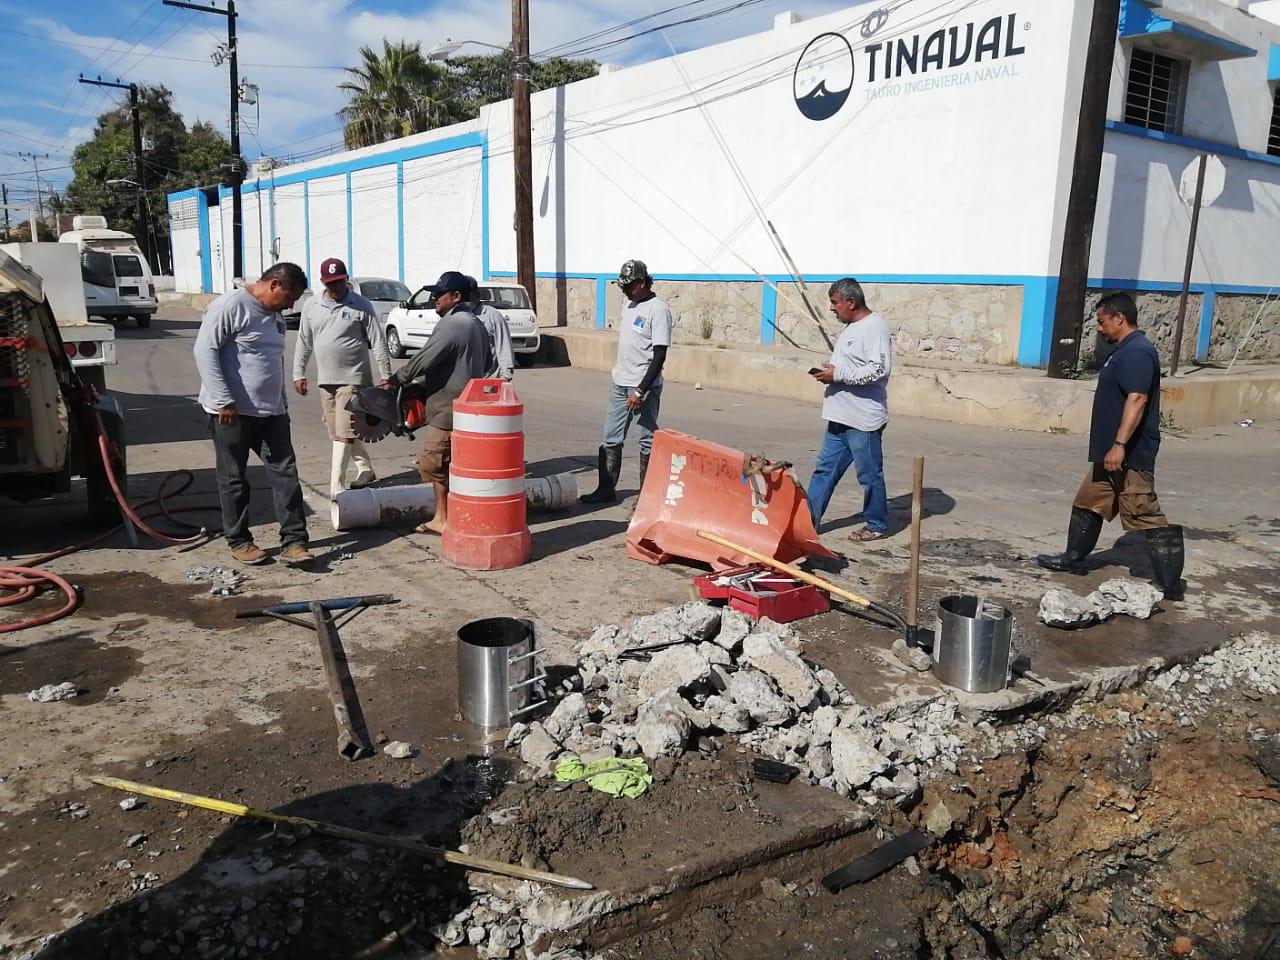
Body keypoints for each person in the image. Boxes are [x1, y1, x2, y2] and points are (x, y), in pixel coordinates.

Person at [1036, 292, 1184, 598]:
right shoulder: (1123, 351)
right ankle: (1072, 559)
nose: (1100, 329)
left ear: (1120, 318)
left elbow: (1138, 398)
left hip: (1129, 454)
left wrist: (1119, 444)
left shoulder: (1138, 352)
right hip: (1110, 455)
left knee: (1144, 514)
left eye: (1103, 322)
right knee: (1088, 501)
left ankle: (1170, 586)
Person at [194, 262, 312, 566]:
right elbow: (204, 350)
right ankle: (239, 540)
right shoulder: (230, 306)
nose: (290, 305)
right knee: (234, 478)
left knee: (286, 473)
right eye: (290, 297)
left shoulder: (275, 317)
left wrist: (281, 403)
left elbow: (274, 362)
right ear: (274, 285)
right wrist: (224, 400)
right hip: (232, 413)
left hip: (272, 412)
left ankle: (294, 541)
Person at [386, 270, 492, 535]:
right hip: (471, 409)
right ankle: (458, 514)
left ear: (455, 296)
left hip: (448, 411)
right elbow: (489, 363)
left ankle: (442, 518)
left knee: (434, 464)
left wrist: (397, 379)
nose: (434, 298)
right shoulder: (476, 323)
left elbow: (426, 357)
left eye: (439, 294)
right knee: (458, 466)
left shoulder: (452, 324)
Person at [291, 257, 392, 498]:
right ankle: (365, 469)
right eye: (330, 283)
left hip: (354, 378)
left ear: (346, 279)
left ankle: (336, 485)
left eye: (339, 282)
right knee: (336, 430)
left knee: (344, 431)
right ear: (322, 282)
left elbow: (378, 342)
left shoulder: (361, 305)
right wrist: (298, 372)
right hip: (326, 380)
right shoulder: (312, 306)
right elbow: (304, 341)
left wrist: (386, 375)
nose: (335, 288)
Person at [805, 277, 892, 543]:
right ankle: (806, 522)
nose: (832, 308)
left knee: (868, 475)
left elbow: (879, 369)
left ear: (851, 302)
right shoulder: (852, 327)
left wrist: (838, 375)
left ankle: (876, 524)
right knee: (824, 471)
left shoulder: (874, 328)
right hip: (839, 416)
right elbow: (851, 365)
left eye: (835, 302)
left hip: (862, 420)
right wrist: (831, 371)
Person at [580, 259, 673, 503]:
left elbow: (660, 354)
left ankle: (647, 497)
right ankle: (606, 488)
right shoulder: (628, 305)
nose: (625, 290)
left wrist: (641, 390)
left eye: (629, 286)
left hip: (643, 387)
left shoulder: (658, 309)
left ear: (642, 283)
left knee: (646, 441)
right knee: (610, 437)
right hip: (620, 382)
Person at [465, 275, 515, 381]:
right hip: (464, 382)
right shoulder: (457, 316)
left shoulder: (492, 315)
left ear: (474, 295)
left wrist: (506, 375)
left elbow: (503, 345)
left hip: (489, 381)